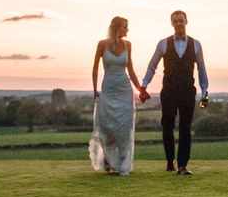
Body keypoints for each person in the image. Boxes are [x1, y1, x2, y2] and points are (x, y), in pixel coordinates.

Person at [140, 10, 208, 175]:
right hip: (168, 91)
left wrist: (204, 92)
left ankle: (183, 165)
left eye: (181, 21)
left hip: (187, 91)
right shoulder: (163, 44)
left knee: (185, 127)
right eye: (175, 21)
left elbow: (201, 69)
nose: (178, 24)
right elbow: (152, 66)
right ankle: (170, 161)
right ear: (172, 24)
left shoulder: (196, 44)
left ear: (186, 22)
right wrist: (144, 86)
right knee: (167, 126)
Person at [89, 16, 145, 175]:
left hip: (125, 90)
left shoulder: (128, 45)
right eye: (124, 27)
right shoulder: (102, 45)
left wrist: (140, 89)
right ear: (116, 28)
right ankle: (108, 159)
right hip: (108, 89)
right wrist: (95, 90)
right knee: (107, 125)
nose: (127, 30)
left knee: (124, 126)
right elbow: (95, 68)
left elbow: (131, 70)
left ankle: (121, 162)